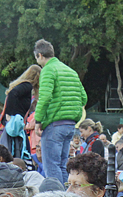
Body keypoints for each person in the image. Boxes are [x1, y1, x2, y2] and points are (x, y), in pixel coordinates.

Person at [33, 39, 88, 183]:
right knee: (63, 166)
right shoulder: (70, 71)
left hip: (54, 125)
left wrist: (38, 120)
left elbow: (44, 97)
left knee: (51, 167)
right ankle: (66, 196)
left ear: (39, 55)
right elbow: (84, 98)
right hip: (70, 125)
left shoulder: (48, 70)